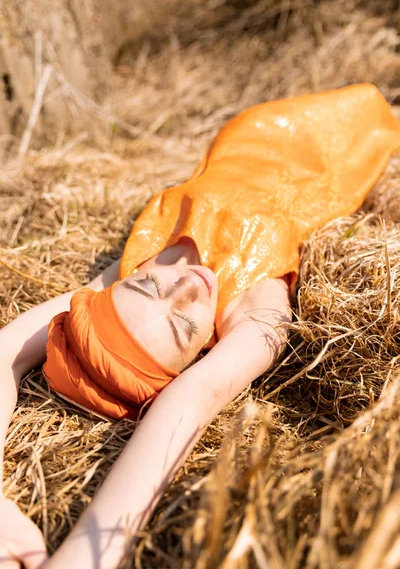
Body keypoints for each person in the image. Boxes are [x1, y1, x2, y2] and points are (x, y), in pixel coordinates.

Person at [1, 84, 399, 569]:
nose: (186, 286)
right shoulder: (256, 310)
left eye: (149, 287)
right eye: (184, 327)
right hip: (334, 150)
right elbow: (188, 406)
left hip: (245, 131)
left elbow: (8, 351)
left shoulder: (129, 266)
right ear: (196, 358)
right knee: (376, 104)